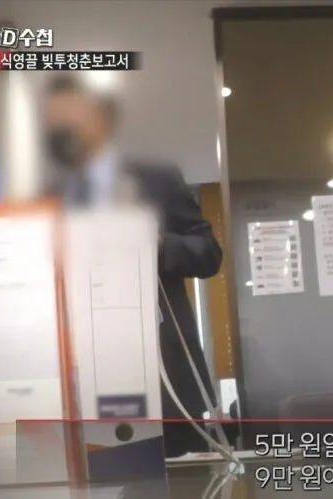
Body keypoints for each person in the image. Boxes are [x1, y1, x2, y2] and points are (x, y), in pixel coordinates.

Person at [42, 74, 222, 458]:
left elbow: (208, 253)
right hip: (79, 376)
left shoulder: (157, 177)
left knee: (180, 479)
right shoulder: (49, 192)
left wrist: (156, 243)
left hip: (162, 374)